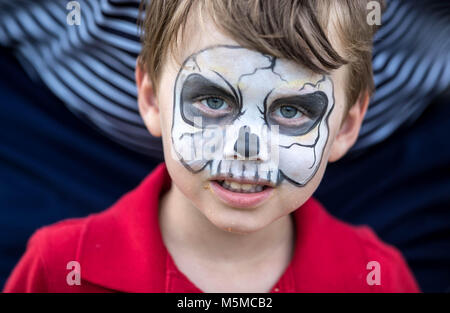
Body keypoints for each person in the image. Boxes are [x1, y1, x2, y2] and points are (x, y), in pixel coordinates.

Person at [3, 0, 420, 292]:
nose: (247, 148)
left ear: (347, 125)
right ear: (149, 97)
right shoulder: (60, 269)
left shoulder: (376, 278)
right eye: (214, 101)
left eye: (291, 110)